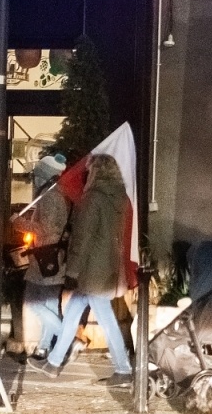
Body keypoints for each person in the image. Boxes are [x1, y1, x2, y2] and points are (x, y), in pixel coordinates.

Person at [34, 154, 132, 385]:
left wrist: (72, 272)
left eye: (89, 171)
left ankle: (123, 369)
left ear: (96, 172)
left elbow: (82, 238)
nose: (86, 175)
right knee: (74, 312)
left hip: (90, 269)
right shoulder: (119, 198)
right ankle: (54, 362)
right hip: (106, 267)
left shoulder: (93, 198)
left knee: (103, 317)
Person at [14, 153, 68, 362]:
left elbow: (44, 229)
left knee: (32, 302)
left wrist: (20, 223)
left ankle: (66, 336)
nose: (35, 177)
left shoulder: (49, 197)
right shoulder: (56, 194)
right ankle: (44, 347)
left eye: (38, 173)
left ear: (45, 174)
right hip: (53, 258)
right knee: (50, 304)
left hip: (45, 258)